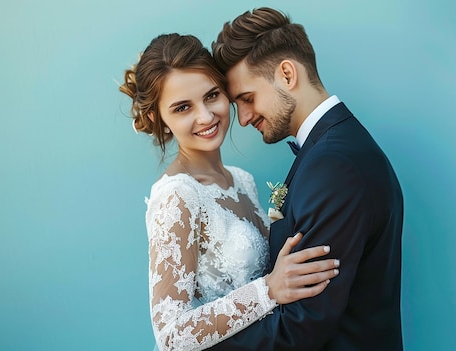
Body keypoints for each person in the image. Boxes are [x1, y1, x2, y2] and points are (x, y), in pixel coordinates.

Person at [118, 33, 340, 351]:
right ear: (158, 118)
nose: (206, 116)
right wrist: (268, 290)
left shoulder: (242, 180)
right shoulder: (176, 196)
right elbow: (170, 336)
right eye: (182, 108)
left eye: (212, 96)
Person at [208, 7, 404, 350]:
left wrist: (198, 342)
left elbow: (303, 327)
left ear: (286, 74)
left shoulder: (333, 165)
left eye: (247, 99)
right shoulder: (337, 148)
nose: (243, 119)